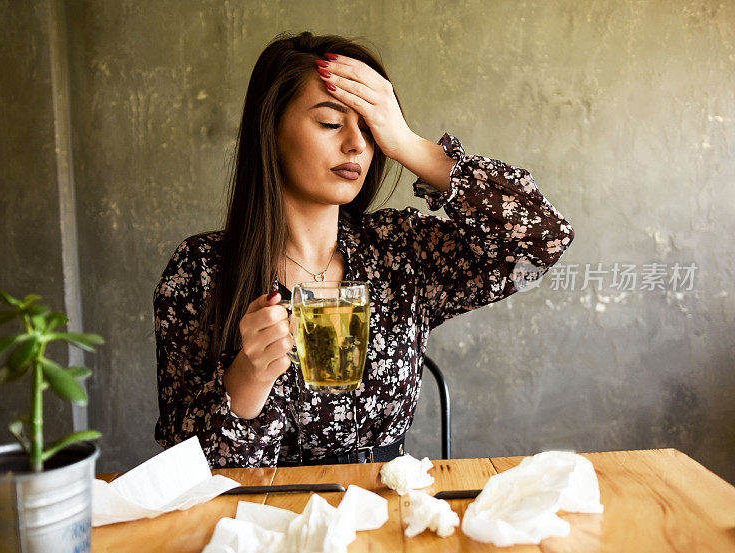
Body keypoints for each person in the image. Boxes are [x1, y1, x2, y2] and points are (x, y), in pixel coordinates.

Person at [154, 31, 575, 467]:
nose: (357, 144)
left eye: (370, 129)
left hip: (385, 505)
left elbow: (542, 239)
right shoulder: (201, 270)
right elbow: (182, 463)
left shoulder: (400, 251)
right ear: (271, 131)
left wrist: (407, 142)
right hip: (267, 517)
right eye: (331, 123)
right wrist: (247, 378)